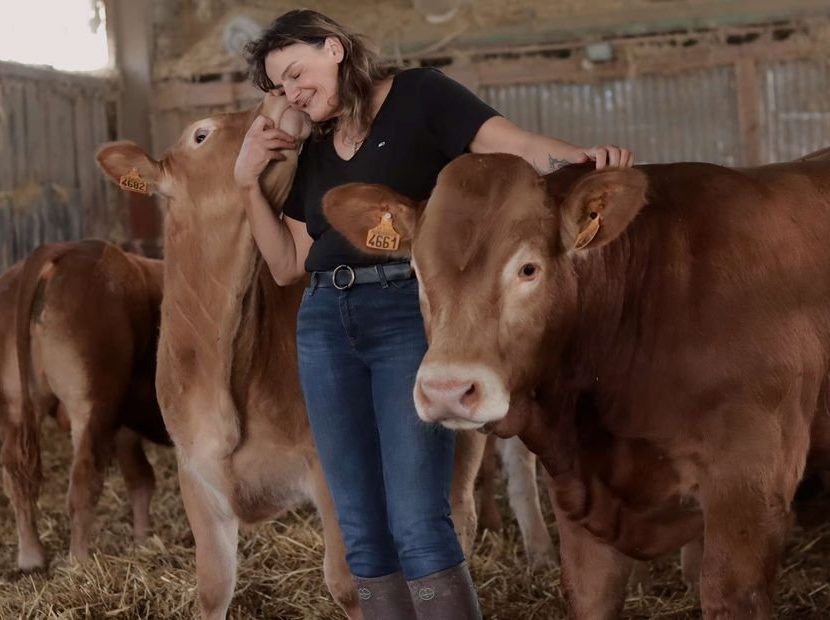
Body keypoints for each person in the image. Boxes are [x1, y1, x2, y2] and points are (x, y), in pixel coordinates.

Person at [235, 10, 634, 619]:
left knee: (418, 518)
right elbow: (288, 264)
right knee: (358, 525)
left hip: (405, 311)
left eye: (295, 73)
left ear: (334, 49)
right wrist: (246, 182)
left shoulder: (421, 95)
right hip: (323, 325)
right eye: (279, 86)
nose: (291, 93)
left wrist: (584, 161)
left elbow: (517, 146)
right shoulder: (313, 147)